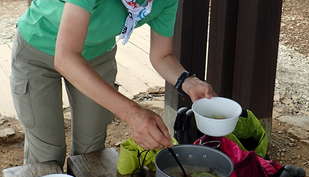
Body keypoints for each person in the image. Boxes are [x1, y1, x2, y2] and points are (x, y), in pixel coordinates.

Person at [11, 0, 215, 166]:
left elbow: (162, 55)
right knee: (47, 153)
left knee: (91, 150)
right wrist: (133, 114)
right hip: (36, 49)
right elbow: (66, 59)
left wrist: (187, 81)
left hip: (97, 55)